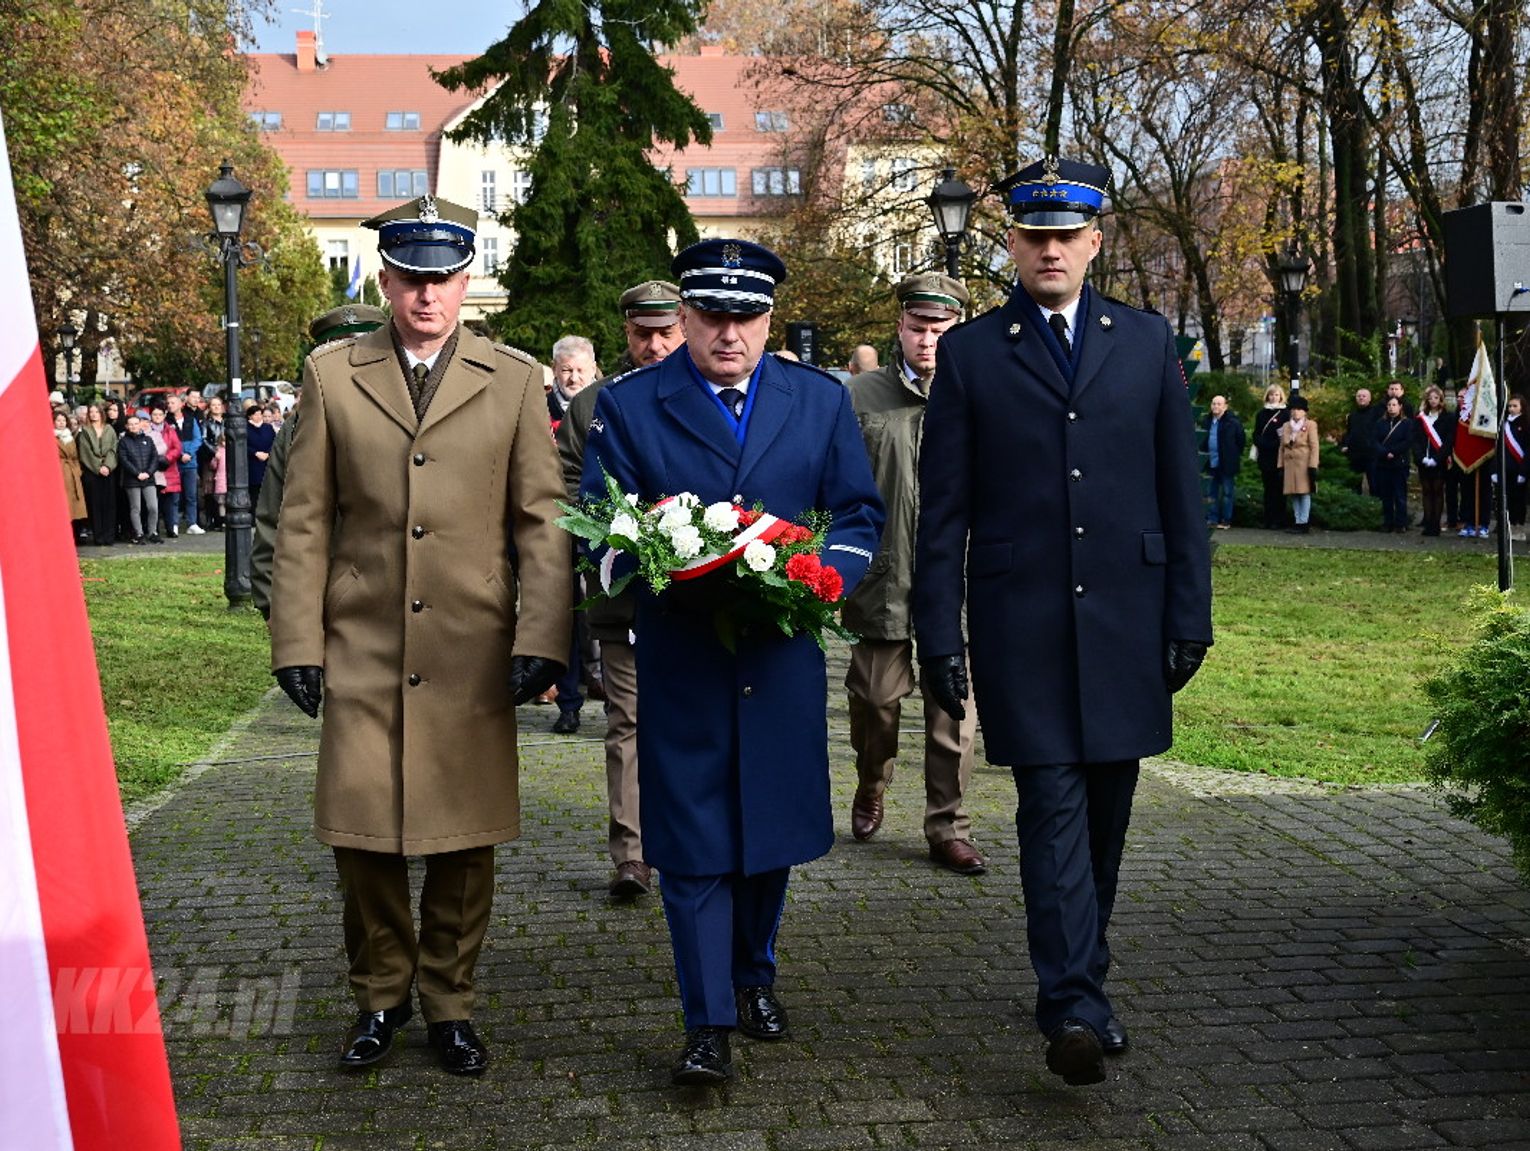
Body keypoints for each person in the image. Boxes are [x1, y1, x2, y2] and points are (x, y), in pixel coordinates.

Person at [912, 156, 1211, 1088]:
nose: (1049, 249)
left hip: (1128, 618)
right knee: (1050, 809)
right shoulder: (970, 352)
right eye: (1033, 233)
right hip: (1022, 621)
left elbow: (1181, 489)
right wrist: (938, 633)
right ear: (1013, 242)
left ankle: (1084, 967)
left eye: (1066, 234)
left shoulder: (1148, 340)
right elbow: (943, 510)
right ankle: (1074, 1002)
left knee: (1108, 813)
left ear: (1094, 241)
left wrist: (1189, 615)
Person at [268, 195, 571, 1077]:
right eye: (410, 278)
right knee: (361, 833)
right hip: (360, 639)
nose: (427, 295)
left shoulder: (513, 378)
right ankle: (379, 995)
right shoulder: (333, 374)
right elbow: (303, 522)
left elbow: (543, 522)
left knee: (463, 837)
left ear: (465, 280)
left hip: (470, 645)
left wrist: (541, 635)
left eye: (443, 278)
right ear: (386, 279)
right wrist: (297, 642)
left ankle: (449, 1001)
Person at [579, 237, 883, 1086]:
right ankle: (706, 1018)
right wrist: (655, 559)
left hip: (780, 653)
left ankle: (755, 974)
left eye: (746, 316)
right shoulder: (634, 404)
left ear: (769, 318)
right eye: (711, 314)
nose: (728, 334)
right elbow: (600, 529)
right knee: (693, 842)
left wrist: (822, 577)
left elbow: (858, 513)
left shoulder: (818, 401)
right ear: (684, 316)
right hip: (684, 653)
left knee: (770, 829)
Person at [842, 271, 985, 875]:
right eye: (918, 326)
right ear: (899, 327)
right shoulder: (859, 396)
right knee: (875, 702)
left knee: (953, 713)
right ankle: (872, 779)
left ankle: (947, 826)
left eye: (941, 327)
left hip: (959, 583)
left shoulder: (983, 392)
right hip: (884, 580)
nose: (928, 338)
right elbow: (839, 486)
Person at [555, 278, 686, 897]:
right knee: (628, 719)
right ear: (626, 333)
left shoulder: (710, 392)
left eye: (666, 333)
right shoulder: (592, 405)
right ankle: (632, 853)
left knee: (691, 716)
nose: (655, 346)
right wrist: (602, 534)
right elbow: (563, 486)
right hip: (623, 591)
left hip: (701, 591)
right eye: (642, 334)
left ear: (684, 327)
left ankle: (688, 838)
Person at [250, 304, 386, 620]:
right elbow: (274, 516)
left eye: (362, 348)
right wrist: (272, 603)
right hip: (325, 597)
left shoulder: (418, 415)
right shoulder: (298, 427)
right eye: (338, 351)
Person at [1412, 384, 1453, 537]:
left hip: (1439, 462)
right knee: (1426, 492)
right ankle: (1428, 524)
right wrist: (1421, 457)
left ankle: (1436, 525)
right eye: (1430, 398)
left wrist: (1437, 458)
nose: (1433, 401)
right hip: (1424, 461)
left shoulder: (1447, 417)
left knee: (1437, 491)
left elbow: (1449, 441)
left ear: (1441, 399)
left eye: (1436, 398)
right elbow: (1415, 439)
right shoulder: (1421, 417)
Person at [77, 403, 118, 547]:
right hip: (92, 473)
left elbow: (113, 449)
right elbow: (85, 452)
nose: (94, 414)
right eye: (91, 412)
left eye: (96, 412)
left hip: (108, 472)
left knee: (109, 504)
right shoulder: (85, 432)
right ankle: (98, 537)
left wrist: (107, 465)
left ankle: (109, 536)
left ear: (101, 413)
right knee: (95, 504)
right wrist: (98, 467)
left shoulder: (109, 430)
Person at [1203, 394, 1246, 529]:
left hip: (1227, 463)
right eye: (1213, 403)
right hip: (1210, 462)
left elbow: (1241, 441)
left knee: (1227, 493)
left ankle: (1226, 520)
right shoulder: (1206, 421)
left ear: (1225, 406)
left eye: (1219, 404)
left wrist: (1232, 455)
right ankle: (1212, 518)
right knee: (1211, 493)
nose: (1215, 406)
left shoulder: (1233, 422)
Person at [1278, 393, 1319, 533]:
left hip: (1304, 464)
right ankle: (1297, 521)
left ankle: (1304, 521)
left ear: (1304, 411)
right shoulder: (1286, 426)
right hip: (1289, 464)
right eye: (1293, 409)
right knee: (1293, 493)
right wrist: (1280, 465)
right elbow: (1281, 448)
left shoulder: (1310, 425)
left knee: (1304, 493)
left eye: (1299, 409)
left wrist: (1313, 465)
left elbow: (1314, 446)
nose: (1295, 411)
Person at [117, 412, 161, 544]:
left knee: (153, 507)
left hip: (148, 478)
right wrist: (137, 474)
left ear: (140, 424)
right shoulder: (123, 442)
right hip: (132, 480)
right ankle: (139, 533)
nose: (134, 426)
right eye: (130, 424)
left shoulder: (148, 439)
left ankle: (152, 532)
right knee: (136, 508)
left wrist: (148, 472)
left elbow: (155, 457)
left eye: (136, 423)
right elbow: (124, 460)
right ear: (126, 426)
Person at [165, 393, 205, 534]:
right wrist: (180, 454)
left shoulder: (190, 419)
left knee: (191, 495)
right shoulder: (166, 422)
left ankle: (192, 523)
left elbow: (197, 438)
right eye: (168, 403)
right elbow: (168, 441)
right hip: (174, 463)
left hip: (190, 462)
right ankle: (173, 524)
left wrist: (189, 453)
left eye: (173, 402)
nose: (170, 405)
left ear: (180, 404)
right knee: (174, 496)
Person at [1373, 395, 1411, 532]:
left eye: (1394, 405)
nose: (1391, 407)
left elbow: (1407, 442)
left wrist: (1393, 452)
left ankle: (1401, 523)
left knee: (1400, 495)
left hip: (1399, 463)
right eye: (1389, 405)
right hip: (1383, 464)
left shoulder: (1407, 423)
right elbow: (1375, 441)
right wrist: (1384, 452)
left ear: (1400, 406)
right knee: (1386, 495)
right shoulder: (1380, 423)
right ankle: (1387, 522)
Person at [1252, 384, 1288, 528]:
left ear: (1281, 397)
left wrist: (1272, 444)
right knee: (1268, 490)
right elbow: (1256, 433)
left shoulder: (1285, 414)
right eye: (1271, 395)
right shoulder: (1261, 414)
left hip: (1279, 456)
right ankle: (1268, 519)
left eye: (1277, 395)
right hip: (1265, 457)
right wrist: (1261, 443)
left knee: (1279, 490)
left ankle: (1279, 520)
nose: (1274, 397)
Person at [146, 406, 183, 539]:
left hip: (169, 468)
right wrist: (156, 460)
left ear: (164, 415)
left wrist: (167, 458)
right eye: (154, 414)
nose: (157, 417)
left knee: (169, 503)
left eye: (160, 414)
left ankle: (170, 528)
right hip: (153, 470)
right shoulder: (146, 430)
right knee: (154, 503)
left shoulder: (170, 430)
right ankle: (154, 529)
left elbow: (177, 447)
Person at [54, 410, 88, 540]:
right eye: (58, 420)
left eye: (63, 420)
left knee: (74, 507)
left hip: (72, 473)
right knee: (62, 506)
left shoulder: (70, 437)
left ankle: (75, 535)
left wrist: (77, 471)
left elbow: (75, 457)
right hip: (60, 472)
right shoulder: (51, 436)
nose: (61, 423)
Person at [1338, 387, 1377, 495]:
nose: (1361, 398)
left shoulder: (1376, 413)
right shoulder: (1352, 415)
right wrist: (1344, 445)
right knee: (1355, 484)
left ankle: (1376, 507)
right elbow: (1349, 432)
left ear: (1369, 399)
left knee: (1374, 484)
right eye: (1359, 396)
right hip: (1355, 454)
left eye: (1364, 396)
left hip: (1371, 454)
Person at [199, 395, 227, 530]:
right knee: (210, 488)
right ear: (209, 408)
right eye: (213, 405)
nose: (216, 407)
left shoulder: (227, 421)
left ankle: (223, 518)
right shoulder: (206, 423)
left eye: (218, 404)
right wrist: (214, 451)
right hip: (211, 457)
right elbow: (203, 439)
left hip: (226, 456)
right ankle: (212, 519)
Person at [245, 403, 275, 510]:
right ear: (250, 416)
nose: (258, 417)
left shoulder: (268, 427)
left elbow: (274, 442)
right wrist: (255, 453)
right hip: (253, 462)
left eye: (259, 414)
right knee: (254, 490)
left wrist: (268, 453)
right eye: (255, 414)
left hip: (267, 462)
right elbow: (243, 445)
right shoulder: (245, 428)